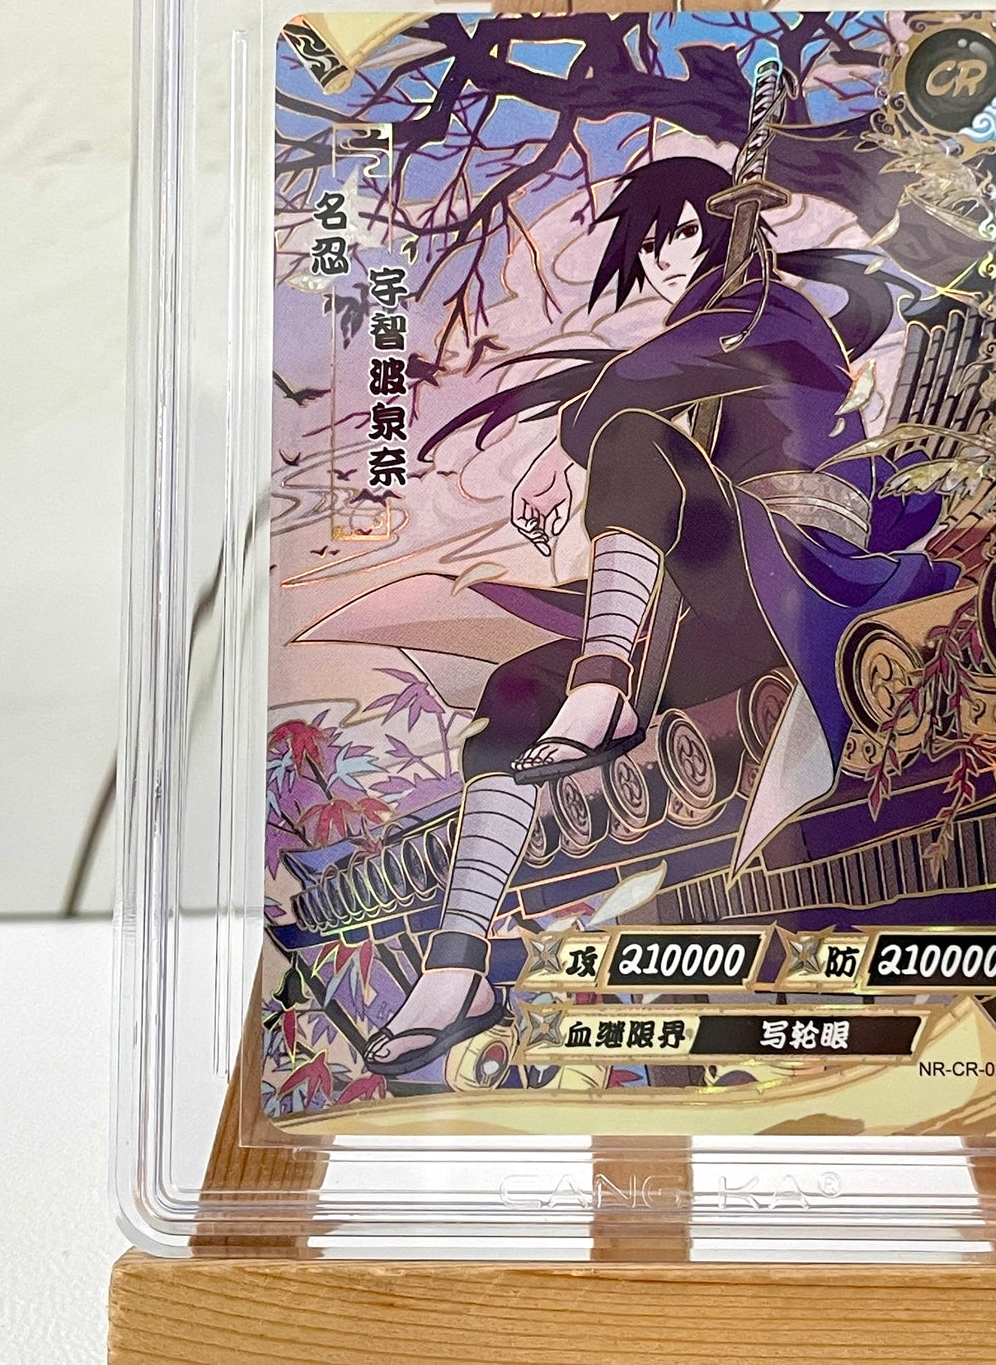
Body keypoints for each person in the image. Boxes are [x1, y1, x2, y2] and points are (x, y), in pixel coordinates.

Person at [362, 156, 955, 1076]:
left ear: (724, 231)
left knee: (633, 442)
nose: (666, 255)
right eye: (649, 242)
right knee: (516, 691)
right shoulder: (708, 331)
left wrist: (567, 450)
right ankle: (456, 967)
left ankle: (603, 690)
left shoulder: (769, 312)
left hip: (795, 578)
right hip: (708, 605)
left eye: (683, 231)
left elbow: (615, 400)